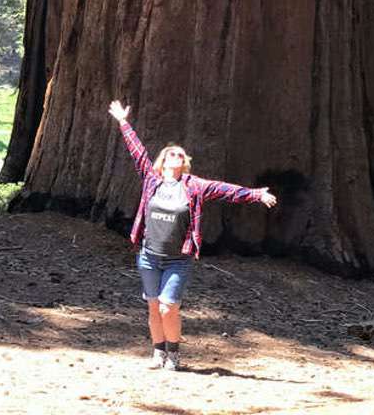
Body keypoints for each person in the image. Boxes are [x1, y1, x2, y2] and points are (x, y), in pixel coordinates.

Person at [108, 100, 277, 371]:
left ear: (183, 163)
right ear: (163, 160)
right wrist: (123, 122)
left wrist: (257, 194)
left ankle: (173, 354)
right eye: (172, 153)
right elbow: (136, 151)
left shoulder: (194, 186)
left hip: (178, 260)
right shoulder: (152, 180)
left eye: (180, 154)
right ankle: (158, 352)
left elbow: (226, 190)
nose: (177, 155)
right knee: (153, 307)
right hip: (149, 256)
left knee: (167, 307)